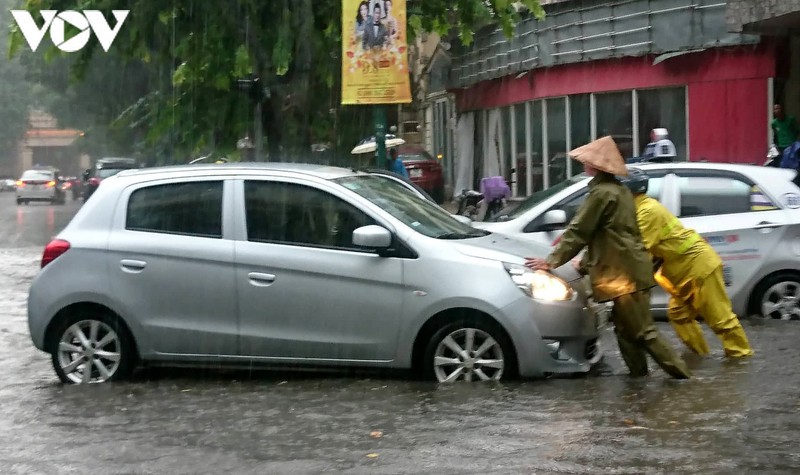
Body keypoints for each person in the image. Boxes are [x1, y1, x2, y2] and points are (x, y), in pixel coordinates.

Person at [525, 136, 691, 379]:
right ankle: (639, 379)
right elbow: (608, 236)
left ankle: (683, 377)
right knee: (624, 331)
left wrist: (551, 261)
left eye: (587, 161)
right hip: (627, 271)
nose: (584, 164)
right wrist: (583, 264)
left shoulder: (602, 193)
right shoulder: (619, 190)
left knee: (644, 331)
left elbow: (579, 231)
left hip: (624, 275)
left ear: (596, 166)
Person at [620, 168, 754, 358]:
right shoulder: (637, 209)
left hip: (697, 267)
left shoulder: (647, 212)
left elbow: (638, 250)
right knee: (679, 315)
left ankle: (742, 358)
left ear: (627, 190)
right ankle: (702, 356)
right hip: (682, 270)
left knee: (720, 319)